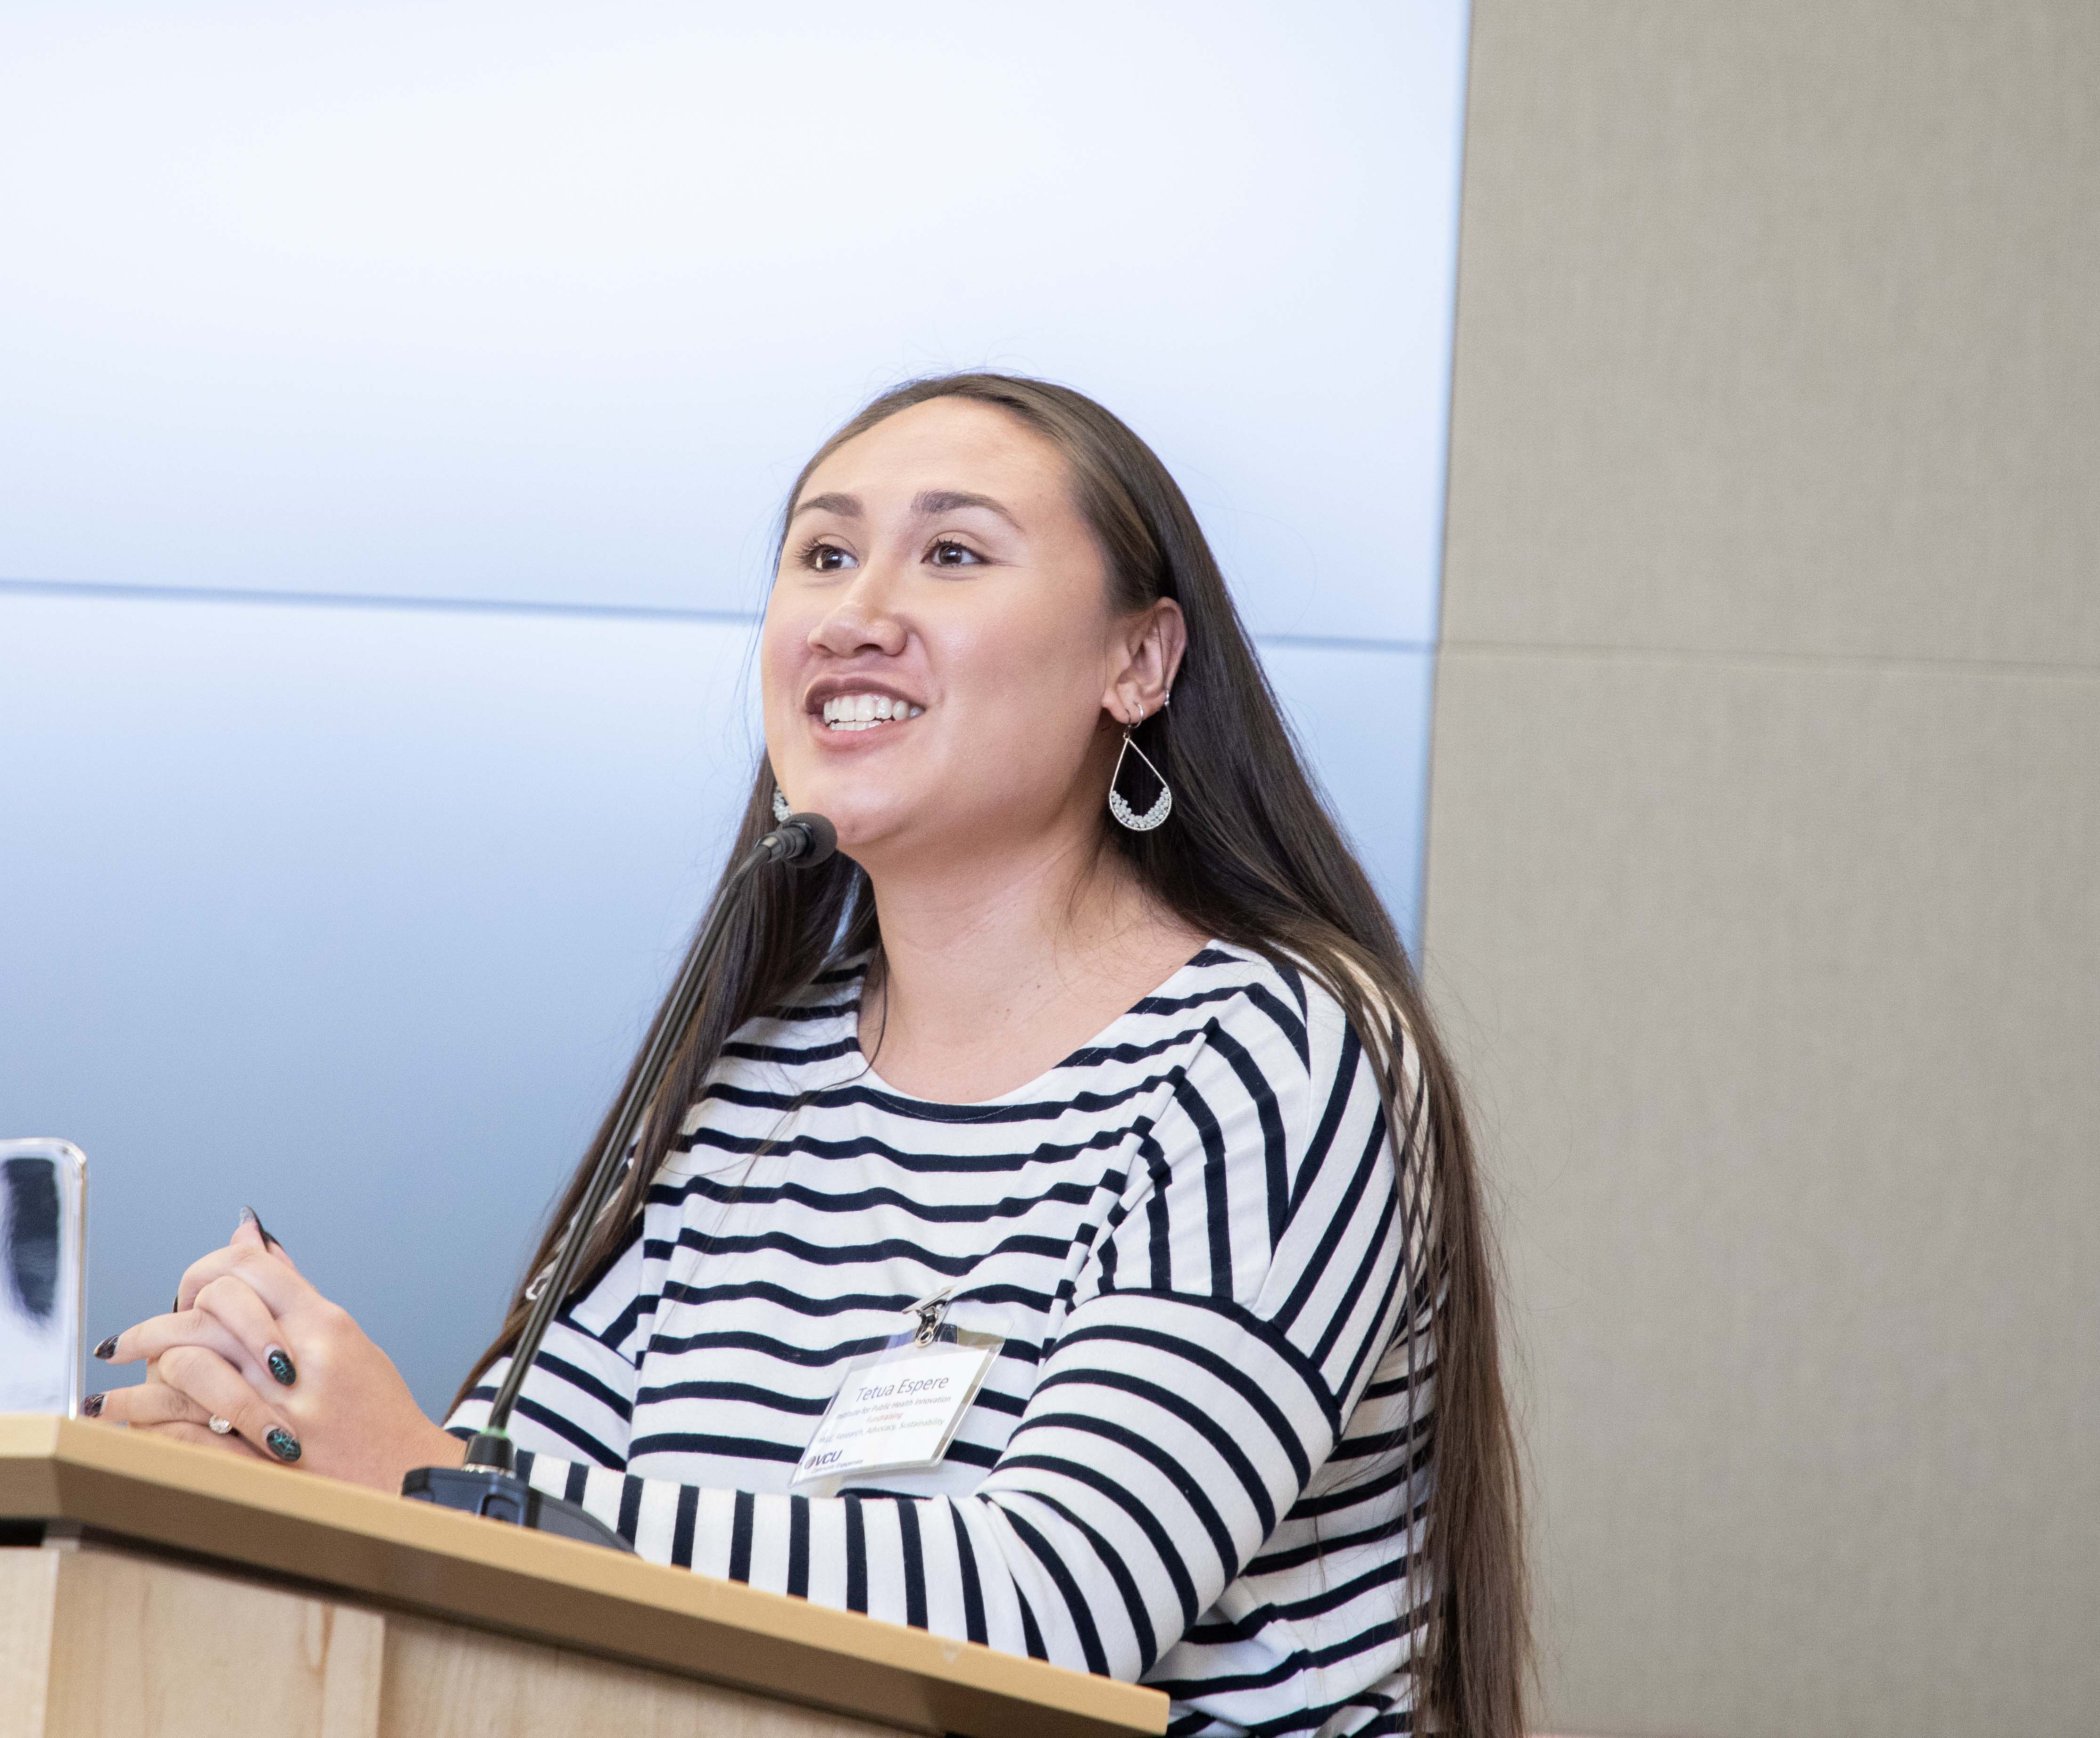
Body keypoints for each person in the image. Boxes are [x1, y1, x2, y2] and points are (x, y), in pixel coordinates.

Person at [88, 374, 1524, 1737]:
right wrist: (257, 1428)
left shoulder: (1273, 1054)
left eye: (953, 554)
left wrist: (416, 1476)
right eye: (822, 558)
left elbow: (1049, 1610)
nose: (859, 614)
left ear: (1137, 661)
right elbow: (487, 1516)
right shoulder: (756, 1067)